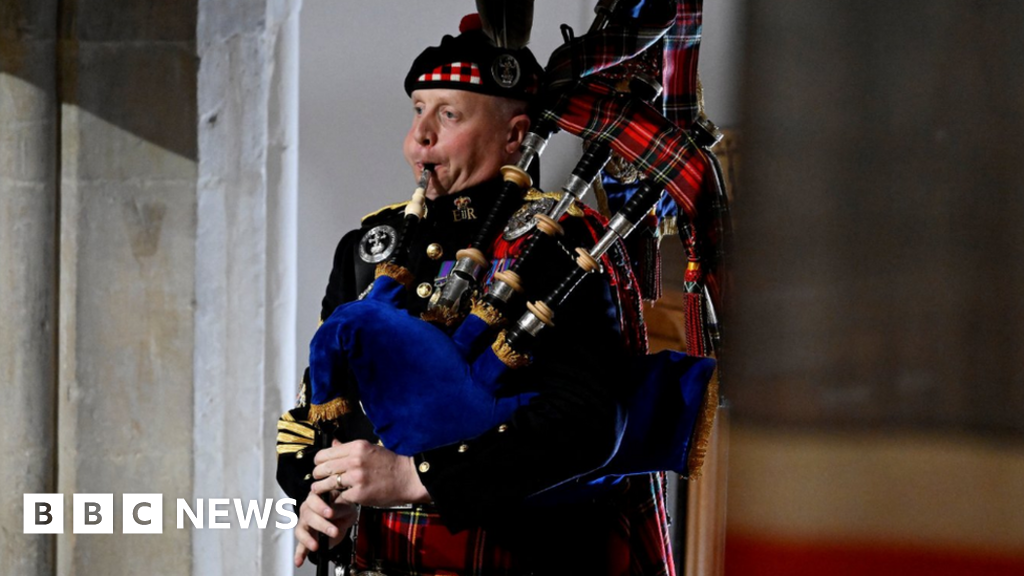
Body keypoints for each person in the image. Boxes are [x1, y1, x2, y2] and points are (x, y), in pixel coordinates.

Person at [277, 15, 675, 575]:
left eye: (448, 114)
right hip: (383, 557)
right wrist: (317, 496)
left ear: (514, 135)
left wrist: (415, 477)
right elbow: (319, 404)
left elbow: (588, 422)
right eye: (418, 110)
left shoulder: (564, 242)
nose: (421, 136)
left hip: (524, 556)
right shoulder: (369, 248)